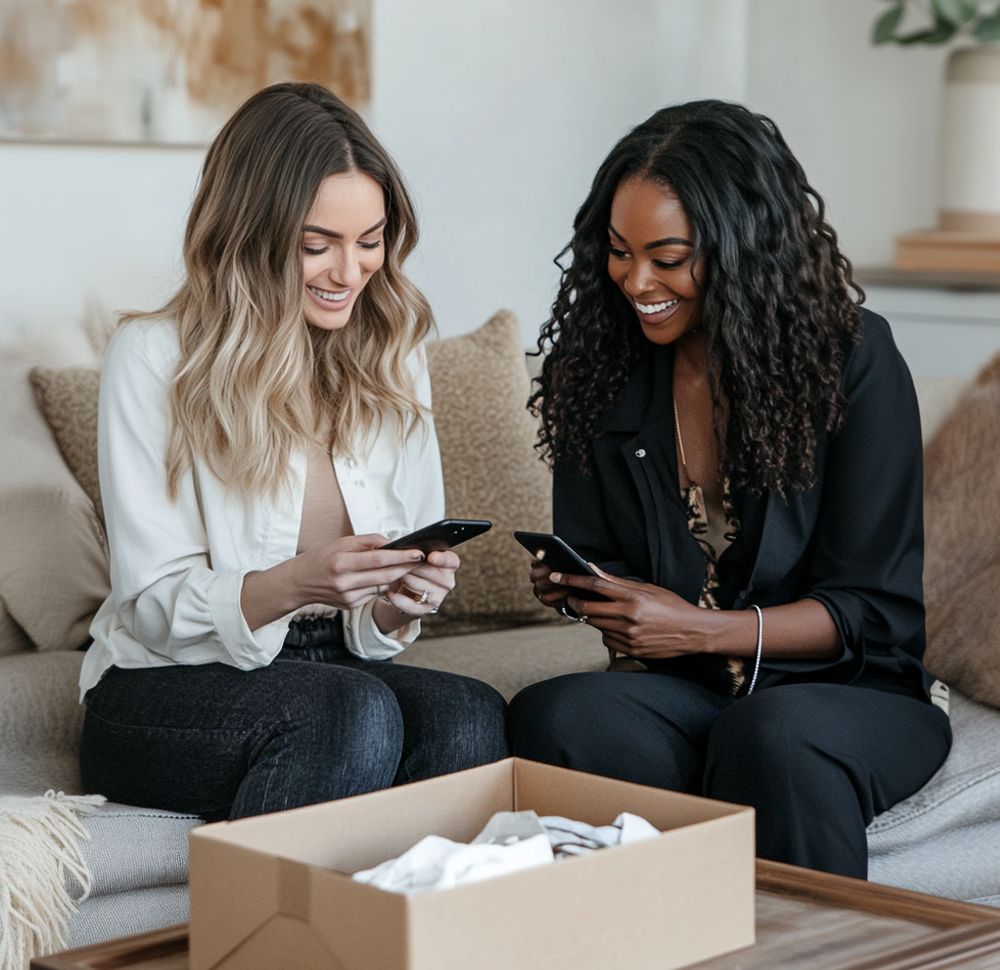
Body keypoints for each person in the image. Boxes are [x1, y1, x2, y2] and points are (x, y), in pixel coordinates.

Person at [507, 100, 950, 879]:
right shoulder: (602, 368)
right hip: (693, 689)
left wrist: (700, 630)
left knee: (772, 735)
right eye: (617, 251)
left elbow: (874, 611)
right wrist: (594, 592)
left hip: (850, 690)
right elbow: (611, 563)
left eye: (667, 257)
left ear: (742, 250)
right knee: (561, 714)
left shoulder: (853, 361)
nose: (635, 281)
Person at [79, 82, 507, 822]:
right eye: (318, 245)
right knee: (344, 715)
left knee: (466, 713)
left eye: (369, 241)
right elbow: (150, 607)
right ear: (251, 232)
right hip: (161, 684)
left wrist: (403, 606)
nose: (350, 272)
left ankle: (416, 934)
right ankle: (274, 935)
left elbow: (378, 624)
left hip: (332, 670)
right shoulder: (152, 356)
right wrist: (297, 583)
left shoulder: (391, 352)